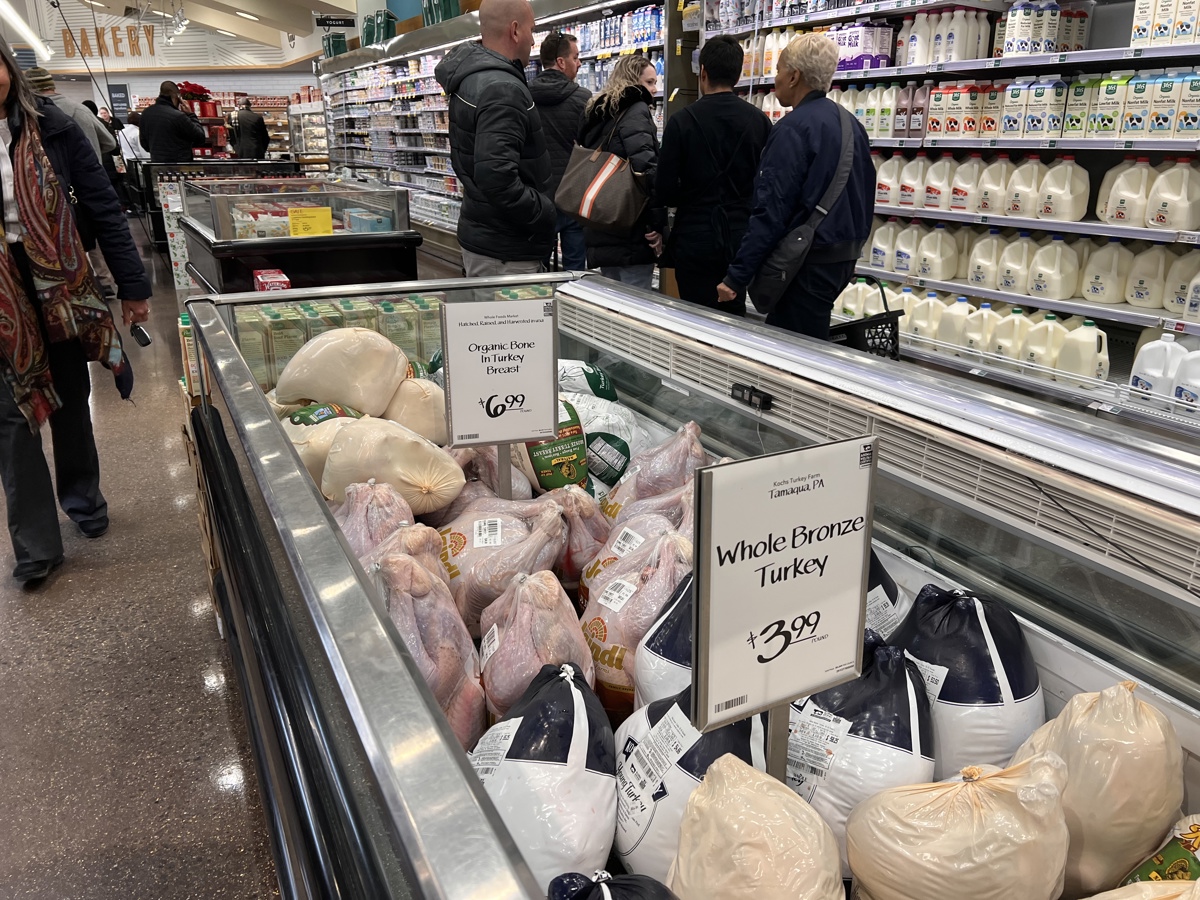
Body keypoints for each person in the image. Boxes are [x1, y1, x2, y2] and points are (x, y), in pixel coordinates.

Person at [0, 44, 151, 584]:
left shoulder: (55, 128)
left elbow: (104, 206)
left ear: (9, 69)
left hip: (60, 284)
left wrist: (133, 285)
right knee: (13, 419)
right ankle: (36, 546)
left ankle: (83, 501)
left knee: (70, 397)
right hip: (2, 298)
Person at [717, 34, 873, 339]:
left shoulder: (793, 129)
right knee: (808, 338)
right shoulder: (850, 123)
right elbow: (866, 195)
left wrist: (736, 276)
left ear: (794, 76)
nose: (775, 79)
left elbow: (771, 211)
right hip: (841, 256)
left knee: (793, 354)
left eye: (778, 70)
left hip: (805, 263)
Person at [435, 0, 555, 277]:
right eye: (530, 29)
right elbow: (496, 177)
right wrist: (544, 211)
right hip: (507, 249)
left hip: (486, 235)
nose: (533, 39)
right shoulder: (502, 88)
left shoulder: (473, 77)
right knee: (516, 319)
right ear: (515, 31)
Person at [656, 36, 771, 316]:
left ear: (703, 71)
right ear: (739, 74)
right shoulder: (760, 122)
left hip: (694, 237)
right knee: (732, 317)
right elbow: (765, 186)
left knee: (694, 319)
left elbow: (665, 190)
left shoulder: (681, 122)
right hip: (739, 238)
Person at [577, 55, 664, 289]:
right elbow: (645, 170)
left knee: (612, 304)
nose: (655, 89)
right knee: (636, 307)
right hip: (630, 228)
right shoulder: (636, 111)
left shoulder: (599, 110)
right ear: (633, 82)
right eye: (649, 82)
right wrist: (656, 225)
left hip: (602, 220)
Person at [528, 31, 590, 271]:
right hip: (572, 194)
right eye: (576, 57)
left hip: (536, 196)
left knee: (537, 266)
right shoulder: (582, 98)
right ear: (561, 62)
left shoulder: (523, 95)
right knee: (575, 268)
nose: (579, 62)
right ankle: (571, 308)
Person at [24, 69, 116, 163]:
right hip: (92, 173)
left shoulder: (28, 114)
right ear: (52, 86)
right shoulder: (80, 109)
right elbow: (110, 143)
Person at [139, 81, 206, 164]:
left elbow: (144, 144)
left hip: (157, 165)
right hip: (180, 166)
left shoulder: (146, 113)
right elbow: (200, 138)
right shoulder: (178, 116)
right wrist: (191, 115)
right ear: (176, 97)